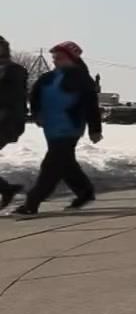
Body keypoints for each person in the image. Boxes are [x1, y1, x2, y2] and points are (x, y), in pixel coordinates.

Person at [10, 42, 102, 218]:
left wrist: (95, 129)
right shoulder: (48, 78)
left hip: (70, 127)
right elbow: (34, 96)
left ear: (72, 58)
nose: (55, 61)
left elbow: (92, 106)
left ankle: (32, 203)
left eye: (60, 57)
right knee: (65, 163)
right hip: (51, 128)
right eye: (54, 57)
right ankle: (85, 192)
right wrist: (36, 114)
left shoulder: (82, 79)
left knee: (51, 165)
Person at [0, 36, 28, 208]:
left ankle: (7, 189)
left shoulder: (14, 70)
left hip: (6, 121)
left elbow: (14, 97)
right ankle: (7, 188)